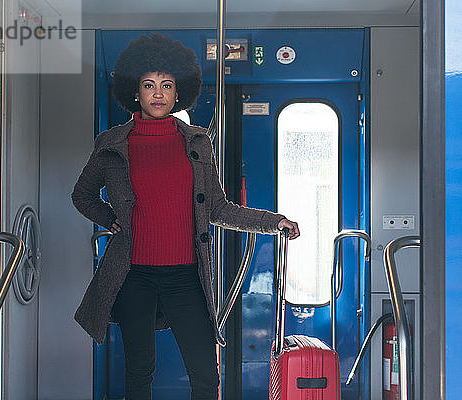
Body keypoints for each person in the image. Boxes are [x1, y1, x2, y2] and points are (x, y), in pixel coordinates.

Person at [71, 33, 300, 400]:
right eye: (149, 85)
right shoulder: (112, 143)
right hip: (133, 276)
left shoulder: (196, 142)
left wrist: (273, 222)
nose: (158, 93)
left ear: (179, 94)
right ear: (135, 92)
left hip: (186, 276)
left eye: (167, 85)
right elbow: (81, 195)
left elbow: (219, 209)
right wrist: (109, 218)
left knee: (205, 374)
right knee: (139, 372)